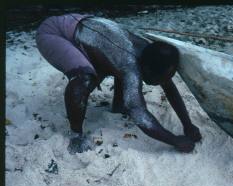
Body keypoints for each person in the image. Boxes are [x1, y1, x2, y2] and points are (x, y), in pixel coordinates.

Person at [36, 13, 202, 154]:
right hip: (53, 34)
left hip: (84, 28)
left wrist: (187, 124)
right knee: (84, 79)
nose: (166, 81)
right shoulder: (131, 66)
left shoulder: (149, 52)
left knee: (114, 65)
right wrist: (174, 140)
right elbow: (139, 113)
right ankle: (76, 135)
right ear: (149, 71)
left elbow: (170, 88)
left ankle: (117, 105)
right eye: (165, 77)